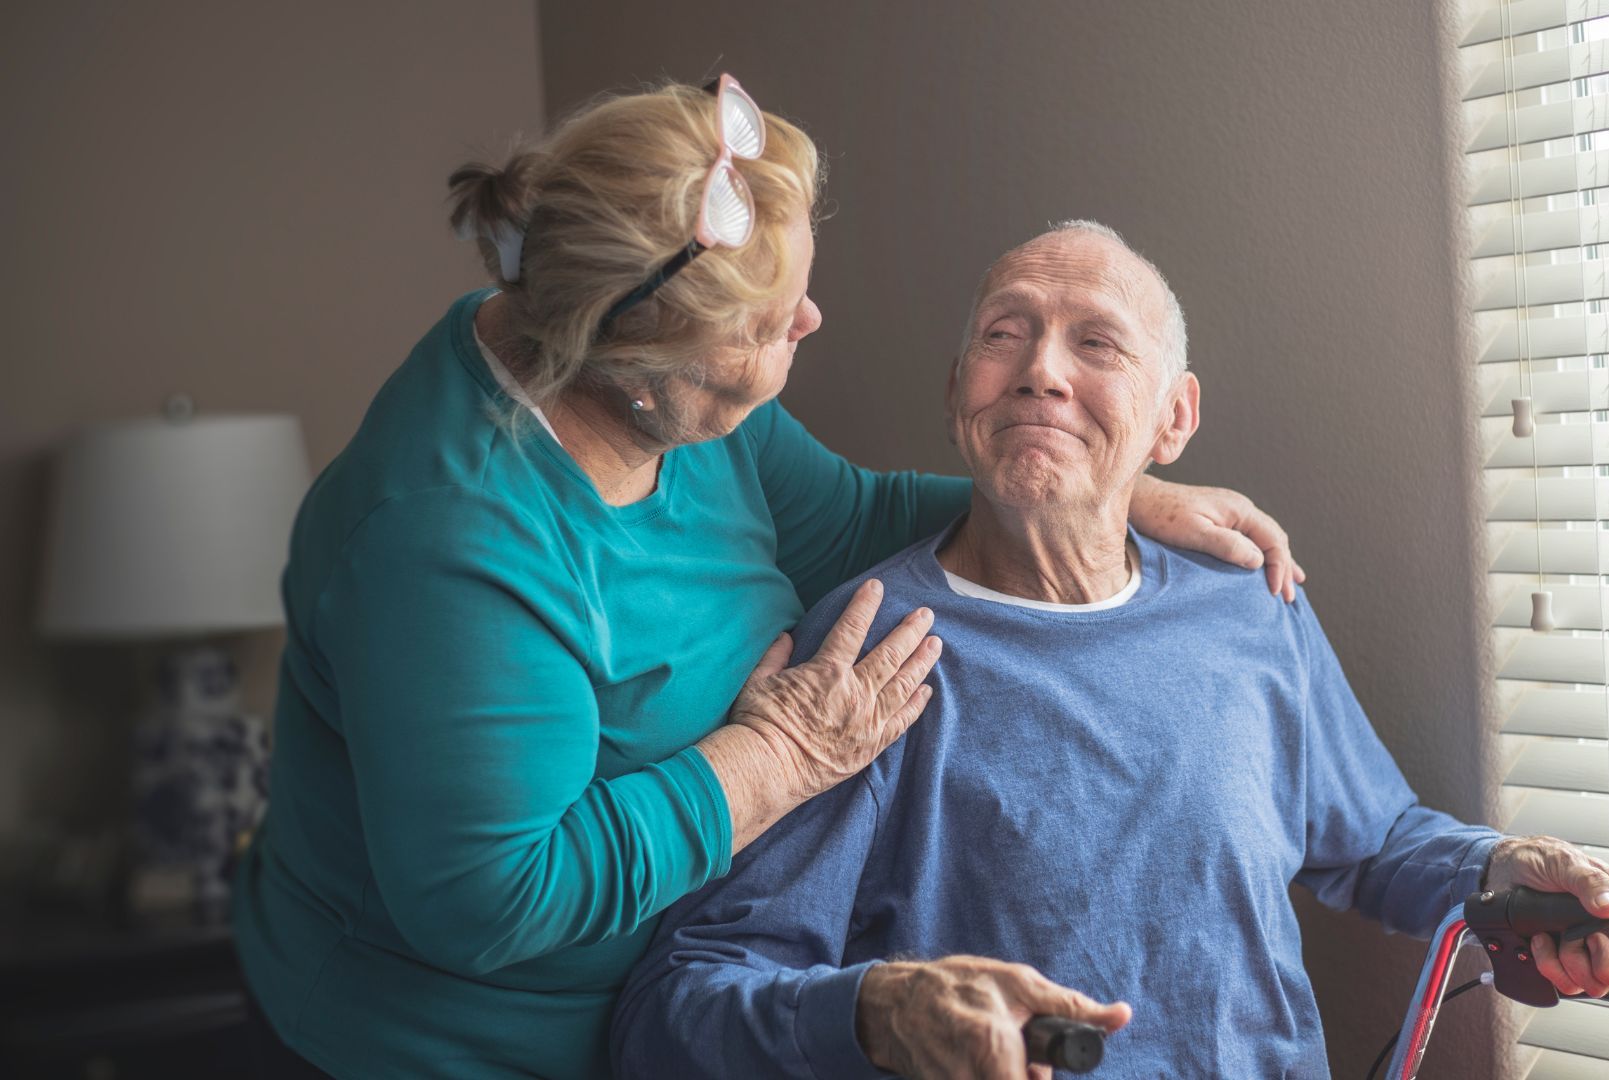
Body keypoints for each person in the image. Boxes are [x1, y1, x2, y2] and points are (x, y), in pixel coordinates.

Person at [230, 80, 1304, 1079]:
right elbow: (494, 897)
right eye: (762, 325)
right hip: (443, 1044)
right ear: (634, 362)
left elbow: (848, 517)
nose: (808, 322)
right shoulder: (444, 541)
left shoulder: (676, 404)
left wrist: (1095, 492)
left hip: (671, 1013)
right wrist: (774, 759)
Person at [614, 221, 1609, 1079]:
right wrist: (880, 1014)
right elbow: (684, 1006)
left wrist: (1503, 874)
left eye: (1096, 342)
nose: (1041, 370)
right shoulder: (867, 654)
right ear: (957, 397)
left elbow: (1371, 840)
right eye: (1004, 333)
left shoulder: (1248, 605)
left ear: (1172, 421)